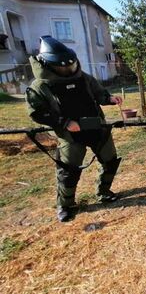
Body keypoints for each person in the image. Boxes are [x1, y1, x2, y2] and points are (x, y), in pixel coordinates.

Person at [26, 36, 123, 222]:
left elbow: (98, 93)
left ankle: (104, 192)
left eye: (69, 65)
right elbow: (37, 113)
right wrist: (64, 122)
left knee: (110, 161)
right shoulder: (39, 87)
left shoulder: (83, 77)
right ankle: (65, 205)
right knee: (68, 172)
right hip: (70, 135)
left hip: (97, 128)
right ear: (48, 64)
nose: (67, 69)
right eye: (62, 67)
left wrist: (109, 99)